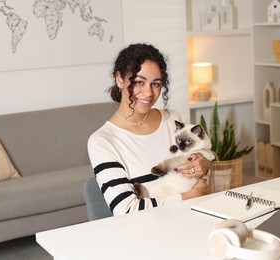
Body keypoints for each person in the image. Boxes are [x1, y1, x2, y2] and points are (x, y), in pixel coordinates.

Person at [87, 43, 211, 215]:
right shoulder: (102, 141)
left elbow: (196, 180)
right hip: (145, 233)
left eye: (156, 84)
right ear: (120, 79)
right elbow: (126, 210)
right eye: (139, 82)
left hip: (189, 217)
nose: (148, 93)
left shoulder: (172, 120)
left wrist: (203, 163)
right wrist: (189, 196)